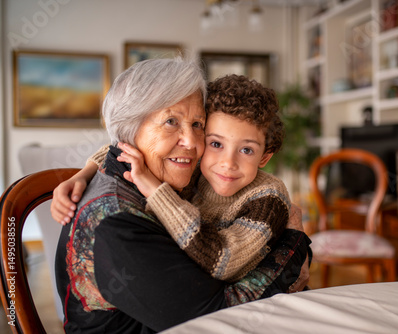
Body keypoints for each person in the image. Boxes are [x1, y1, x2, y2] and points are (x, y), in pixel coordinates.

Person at [53, 57, 310, 333]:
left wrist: (86, 171)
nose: (191, 143)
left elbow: (114, 149)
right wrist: (293, 247)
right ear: (128, 129)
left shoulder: (154, 172)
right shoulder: (117, 224)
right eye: (171, 121)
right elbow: (218, 321)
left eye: (198, 124)